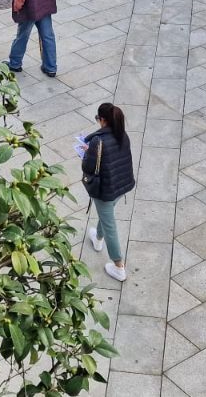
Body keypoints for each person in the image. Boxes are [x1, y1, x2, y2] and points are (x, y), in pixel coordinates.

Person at [81, 102, 135, 282]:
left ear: (103, 120)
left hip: (105, 190)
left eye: (98, 118)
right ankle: (97, 238)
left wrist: (87, 154)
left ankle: (119, 266)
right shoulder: (122, 135)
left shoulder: (98, 141)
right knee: (107, 215)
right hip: (122, 186)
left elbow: (88, 166)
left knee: (110, 225)